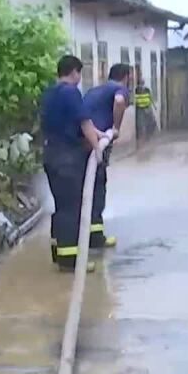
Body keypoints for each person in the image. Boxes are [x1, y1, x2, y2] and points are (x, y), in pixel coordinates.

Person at [40, 55, 107, 273]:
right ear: (74, 72)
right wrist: (97, 149)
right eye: (79, 73)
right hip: (68, 159)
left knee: (61, 206)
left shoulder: (50, 93)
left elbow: (79, 123)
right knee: (72, 209)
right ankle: (70, 261)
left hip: (51, 155)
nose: (79, 78)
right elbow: (84, 122)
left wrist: (101, 134)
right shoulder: (71, 92)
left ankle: (58, 252)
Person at [82, 63, 131, 250]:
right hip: (97, 145)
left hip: (82, 143)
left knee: (84, 189)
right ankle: (96, 238)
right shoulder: (120, 89)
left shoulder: (94, 91)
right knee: (97, 188)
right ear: (126, 77)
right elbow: (119, 101)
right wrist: (116, 128)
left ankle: (84, 236)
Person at [133, 75, 155, 144]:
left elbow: (151, 98)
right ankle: (142, 138)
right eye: (141, 82)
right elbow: (134, 99)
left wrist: (153, 106)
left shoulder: (147, 90)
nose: (141, 84)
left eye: (142, 82)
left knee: (150, 122)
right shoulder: (136, 90)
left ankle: (148, 136)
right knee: (141, 124)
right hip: (140, 109)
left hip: (147, 107)